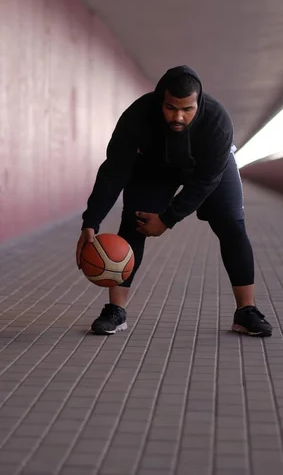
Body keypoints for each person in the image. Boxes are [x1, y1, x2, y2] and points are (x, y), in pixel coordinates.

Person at [76, 65, 272, 337]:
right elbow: (114, 170)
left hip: (207, 170)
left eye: (187, 109)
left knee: (232, 226)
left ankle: (246, 311)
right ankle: (115, 311)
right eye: (170, 108)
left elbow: (206, 181)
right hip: (155, 167)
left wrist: (168, 219)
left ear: (198, 103)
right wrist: (92, 220)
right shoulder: (137, 116)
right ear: (160, 100)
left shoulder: (217, 121)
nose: (178, 116)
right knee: (134, 223)